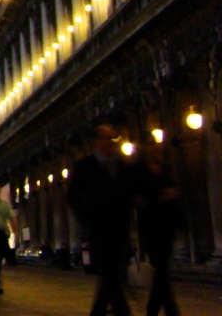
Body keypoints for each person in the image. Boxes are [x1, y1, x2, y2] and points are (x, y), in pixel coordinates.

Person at [67, 122, 135, 316]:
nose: (110, 143)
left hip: (121, 229)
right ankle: (123, 312)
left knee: (111, 276)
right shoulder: (84, 167)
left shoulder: (122, 165)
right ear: (96, 141)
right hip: (99, 230)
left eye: (112, 138)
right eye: (106, 138)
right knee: (111, 274)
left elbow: (130, 193)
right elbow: (73, 197)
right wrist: (87, 220)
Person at [134, 144, 183, 316]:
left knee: (161, 269)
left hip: (167, 225)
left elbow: (175, 190)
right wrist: (161, 196)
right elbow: (138, 200)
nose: (157, 149)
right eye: (153, 147)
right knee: (161, 267)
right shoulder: (139, 172)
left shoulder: (165, 169)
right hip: (151, 227)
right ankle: (168, 310)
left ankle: (154, 308)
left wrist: (171, 194)